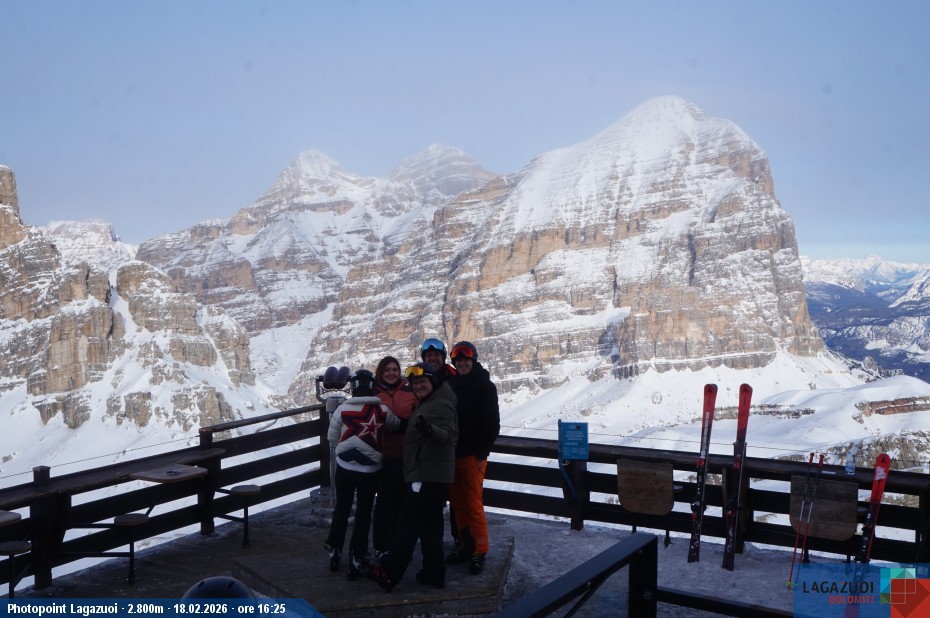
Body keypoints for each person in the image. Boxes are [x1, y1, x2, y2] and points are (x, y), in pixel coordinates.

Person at [370, 362, 458, 591]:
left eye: (423, 382)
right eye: (415, 383)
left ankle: (390, 574)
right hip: (429, 473)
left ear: (433, 383)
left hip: (426, 474)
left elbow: (447, 436)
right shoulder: (428, 402)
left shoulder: (440, 405)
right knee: (430, 526)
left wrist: (429, 429)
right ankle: (434, 573)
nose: (418, 386)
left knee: (407, 525)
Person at [324, 369, 397, 580]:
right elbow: (395, 425)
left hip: (345, 468)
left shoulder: (342, 409)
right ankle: (357, 556)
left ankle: (334, 549)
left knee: (342, 509)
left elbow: (331, 437)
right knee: (364, 513)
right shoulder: (382, 410)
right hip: (370, 471)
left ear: (353, 387)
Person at [446, 340, 500, 575]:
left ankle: (480, 549)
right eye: (458, 361)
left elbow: (492, 424)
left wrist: (481, 454)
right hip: (454, 454)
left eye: (466, 360)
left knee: (474, 504)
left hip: (472, 456)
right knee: (458, 503)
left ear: (473, 360)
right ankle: (466, 545)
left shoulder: (485, 386)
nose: (462, 364)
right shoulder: (453, 385)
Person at [371, 355, 418, 560]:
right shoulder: (374, 394)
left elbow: (420, 413)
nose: (391, 373)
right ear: (380, 372)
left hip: (406, 456)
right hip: (383, 457)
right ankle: (382, 546)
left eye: (395, 369)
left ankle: (400, 546)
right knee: (384, 503)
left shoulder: (410, 390)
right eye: (387, 370)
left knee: (404, 503)